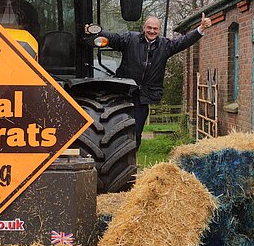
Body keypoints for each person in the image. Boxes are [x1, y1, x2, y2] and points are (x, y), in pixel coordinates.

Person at [88, 13, 212, 147]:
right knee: (117, 126)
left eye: (155, 29)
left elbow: (183, 41)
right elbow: (113, 38)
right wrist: (95, 31)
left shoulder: (165, 45)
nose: (152, 31)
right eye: (149, 28)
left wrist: (201, 29)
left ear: (159, 30)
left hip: (144, 96)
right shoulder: (130, 39)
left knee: (137, 130)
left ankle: (131, 158)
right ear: (144, 28)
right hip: (124, 92)